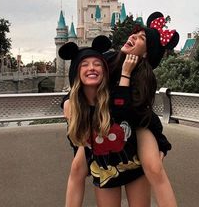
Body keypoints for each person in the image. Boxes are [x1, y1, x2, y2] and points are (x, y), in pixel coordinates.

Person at [61, 11, 179, 207]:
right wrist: (67, 100)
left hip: (130, 126)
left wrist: (161, 142)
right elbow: (84, 79)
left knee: (154, 168)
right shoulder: (109, 58)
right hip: (101, 125)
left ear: (147, 52)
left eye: (142, 38)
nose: (133, 36)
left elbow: (138, 115)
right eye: (135, 33)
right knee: (77, 169)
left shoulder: (143, 77)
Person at [59, 35, 151, 207]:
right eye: (84, 65)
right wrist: (66, 100)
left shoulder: (115, 96)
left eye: (97, 64)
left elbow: (144, 114)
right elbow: (77, 165)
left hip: (133, 165)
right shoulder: (78, 112)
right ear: (76, 72)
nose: (91, 68)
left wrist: (161, 143)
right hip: (105, 171)